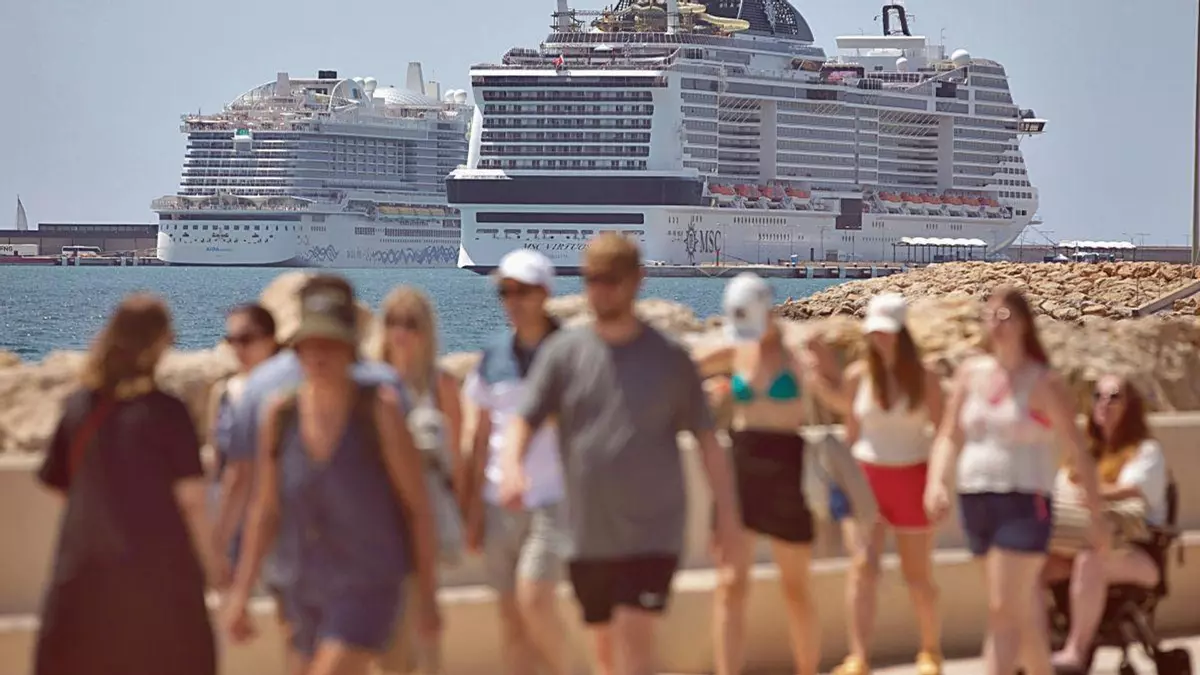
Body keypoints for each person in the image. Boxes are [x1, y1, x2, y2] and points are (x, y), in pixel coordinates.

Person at [500, 233, 742, 675]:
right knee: (606, 653)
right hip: (587, 530)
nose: (600, 290)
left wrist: (726, 516)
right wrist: (512, 468)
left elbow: (707, 439)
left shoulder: (670, 358)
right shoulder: (563, 353)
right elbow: (524, 420)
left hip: (653, 532)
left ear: (637, 280)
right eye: (592, 279)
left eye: (611, 280)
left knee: (634, 642)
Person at [222, 276, 441, 675]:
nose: (319, 356)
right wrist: (240, 593)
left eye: (331, 344)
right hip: (303, 587)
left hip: (369, 582)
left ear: (350, 349)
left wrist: (426, 595)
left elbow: (417, 508)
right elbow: (265, 511)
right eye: (310, 345)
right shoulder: (279, 416)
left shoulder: (380, 411)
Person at [697, 273, 875, 675]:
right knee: (729, 584)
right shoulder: (737, 346)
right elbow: (684, 369)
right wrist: (710, 393)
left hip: (787, 465)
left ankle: (806, 669)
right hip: (742, 464)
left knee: (795, 586)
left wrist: (817, 380)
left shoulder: (801, 348)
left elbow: (843, 406)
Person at [924, 286, 1107, 675]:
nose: (997, 323)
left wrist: (1097, 515)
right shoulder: (970, 374)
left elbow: (1076, 449)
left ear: (1024, 324)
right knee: (1019, 612)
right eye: (990, 315)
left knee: (1002, 609)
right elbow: (948, 435)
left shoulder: (1043, 382)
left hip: (1025, 502)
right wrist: (936, 482)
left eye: (1005, 316)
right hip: (976, 500)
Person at [34, 293, 220, 675]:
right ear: (158, 344)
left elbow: (60, 486)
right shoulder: (167, 412)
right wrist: (216, 566)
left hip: (83, 580)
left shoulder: (79, 407)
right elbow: (192, 501)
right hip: (160, 581)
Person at [810, 293, 945, 675]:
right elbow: (852, 431)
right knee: (862, 569)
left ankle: (930, 650)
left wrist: (938, 482)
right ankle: (858, 657)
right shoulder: (859, 376)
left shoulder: (925, 377)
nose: (879, 339)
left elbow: (943, 432)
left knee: (917, 574)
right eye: (874, 333)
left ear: (902, 333)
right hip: (867, 480)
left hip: (912, 478)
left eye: (886, 332)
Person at [462, 249, 569, 675]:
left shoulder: (569, 353)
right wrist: (471, 508)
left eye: (522, 291)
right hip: (497, 501)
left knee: (535, 599)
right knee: (510, 619)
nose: (513, 301)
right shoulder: (492, 356)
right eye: (505, 292)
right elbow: (477, 436)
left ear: (544, 293)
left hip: (553, 499)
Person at [1043, 376, 1168, 674]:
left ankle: (1075, 652)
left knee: (1092, 559)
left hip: (1137, 553)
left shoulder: (1146, 452)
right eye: (1098, 396)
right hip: (1081, 543)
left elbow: (1129, 491)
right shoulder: (1082, 454)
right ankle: (1035, 644)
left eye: (1114, 397)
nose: (1104, 403)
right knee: (1031, 564)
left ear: (1130, 406)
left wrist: (1088, 491)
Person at [372, 285, 464, 675]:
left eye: (411, 323)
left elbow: (457, 460)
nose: (401, 332)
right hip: (378, 521)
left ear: (426, 331)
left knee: (424, 631)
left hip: (426, 517)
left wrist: (466, 516)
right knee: (386, 636)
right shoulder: (371, 385)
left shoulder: (441, 386)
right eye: (393, 322)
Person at [208, 303, 281, 584]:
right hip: (234, 516)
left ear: (270, 339)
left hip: (276, 520)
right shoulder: (225, 392)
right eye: (232, 340)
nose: (238, 348)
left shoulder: (286, 394)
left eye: (246, 339)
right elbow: (219, 461)